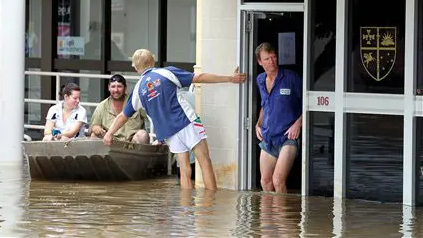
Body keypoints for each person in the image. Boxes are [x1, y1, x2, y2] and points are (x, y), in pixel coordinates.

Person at [103, 49, 246, 190]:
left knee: (184, 170)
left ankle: (185, 211)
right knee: (204, 161)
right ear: (153, 61)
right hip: (187, 122)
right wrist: (229, 78)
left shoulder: (138, 90)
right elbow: (200, 77)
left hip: (169, 132)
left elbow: (123, 116)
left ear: (135, 68)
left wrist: (109, 133)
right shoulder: (167, 72)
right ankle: (210, 208)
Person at [254, 42, 302, 193]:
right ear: (259, 62)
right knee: (265, 182)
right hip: (269, 137)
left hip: (287, 136)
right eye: (267, 59)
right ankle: (268, 217)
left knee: (278, 180)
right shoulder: (260, 79)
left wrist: (298, 123)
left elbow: (308, 104)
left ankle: (282, 217)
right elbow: (265, 105)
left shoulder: (291, 78)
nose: (272, 61)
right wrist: (258, 124)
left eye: (274, 57)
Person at [90, 74, 149, 144]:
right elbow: (93, 126)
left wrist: (160, 138)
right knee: (94, 136)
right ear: (109, 88)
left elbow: (153, 117)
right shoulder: (102, 106)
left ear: (125, 87)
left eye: (119, 86)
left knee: (142, 134)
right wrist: (96, 128)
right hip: (111, 143)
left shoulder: (134, 103)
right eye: (113, 86)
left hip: (132, 144)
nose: (116, 90)